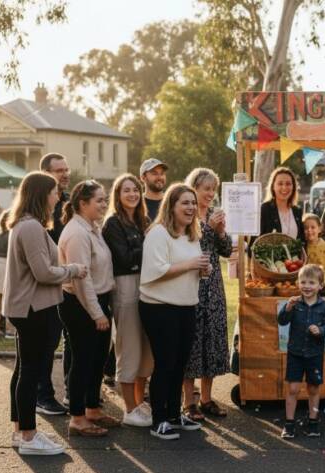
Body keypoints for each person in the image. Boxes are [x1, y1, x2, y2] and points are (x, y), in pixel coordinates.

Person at [3, 172, 87, 455]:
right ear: (41, 195)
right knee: (31, 371)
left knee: (24, 370)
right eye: (53, 192)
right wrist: (73, 270)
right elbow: (42, 272)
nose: (57, 197)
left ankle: (20, 431)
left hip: (29, 306)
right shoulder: (30, 228)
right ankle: (28, 436)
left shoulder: (28, 226)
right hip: (33, 308)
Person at [140, 183, 211, 440]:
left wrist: (202, 270)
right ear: (171, 206)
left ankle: (173, 413)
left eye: (193, 203)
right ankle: (158, 419)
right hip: (159, 308)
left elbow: (186, 268)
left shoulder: (192, 235)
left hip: (186, 306)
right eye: (185, 202)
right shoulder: (158, 234)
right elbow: (155, 271)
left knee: (180, 364)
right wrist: (191, 264)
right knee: (166, 363)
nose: (191, 207)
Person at [58, 180, 118, 437]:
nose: (104, 204)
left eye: (105, 200)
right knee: (82, 361)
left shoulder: (93, 228)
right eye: (99, 200)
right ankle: (78, 418)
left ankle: (93, 409)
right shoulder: (77, 233)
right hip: (81, 305)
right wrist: (97, 313)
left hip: (99, 300)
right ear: (83, 204)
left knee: (97, 360)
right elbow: (82, 279)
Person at [102, 174, 153, 428]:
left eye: (135, 190)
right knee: (129, 346)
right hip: (126, 286)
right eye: (126, 190)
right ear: (118, 195)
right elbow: (122, 259)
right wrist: (149, 246)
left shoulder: (143, 220)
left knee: (146, 348)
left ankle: (139, 400)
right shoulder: (112, 224)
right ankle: (129, 408)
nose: (132, 194)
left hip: (148, 286)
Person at [182, 168, 233, 420]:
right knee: (192, 341)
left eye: (213, 189)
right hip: (191, 283)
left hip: (214, 286)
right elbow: (191, 245)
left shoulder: (215, 215)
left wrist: (222, 232)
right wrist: (209, 228)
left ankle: (207, 398)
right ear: (194, 188)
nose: (211, 194)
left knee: (211, 339)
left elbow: (225, 250)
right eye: (206, 189)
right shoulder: (186, 215)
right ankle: (188, 402)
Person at [277, 264, 325, 438]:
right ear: (298, 283)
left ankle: (313, 421)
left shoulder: (324, 307)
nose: (307, 286)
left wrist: (321, 331)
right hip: (295, 354)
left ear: (320, 286)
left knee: (313, 389)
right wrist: (286, 308)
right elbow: (282, 321)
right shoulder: (294, 304)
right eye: (303, 282)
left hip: (314, 355)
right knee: (293, 388)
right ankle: (289, 424)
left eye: (312, 282)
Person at [37, 152, 72, 415]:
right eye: (59, 170)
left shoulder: (71, 202)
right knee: (46, 343)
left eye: (66, 169)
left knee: (68, 340)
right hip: (47, 282)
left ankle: (73, 392)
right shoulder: (39, 209)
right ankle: (43, 395)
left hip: (70, 280)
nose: (65, 174)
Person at [258, 167, 304, 242]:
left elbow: (302, 241)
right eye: (280, 184)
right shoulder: (265, 209)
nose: (284, 187)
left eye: (288, 184)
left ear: (293, 187)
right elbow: (256, 242)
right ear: (273, 186)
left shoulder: (297, 211)